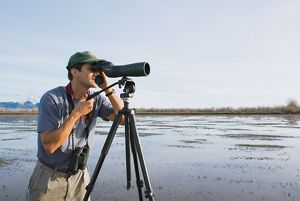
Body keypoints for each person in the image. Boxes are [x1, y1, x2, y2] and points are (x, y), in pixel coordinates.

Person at [26, 51, 125, 201]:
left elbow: (123, 119)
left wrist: (107, 88)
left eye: (98, 69)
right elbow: (50, 146)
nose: (97, 72)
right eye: (92, 68)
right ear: (75, 72)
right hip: (49, 177)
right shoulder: (52, 99)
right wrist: (76, 113)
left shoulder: (97, 98)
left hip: (80, 176)